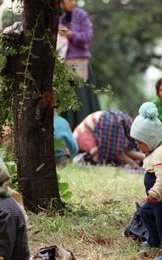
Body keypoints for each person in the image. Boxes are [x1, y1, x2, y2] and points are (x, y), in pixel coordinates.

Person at [130, 102, 162, 260]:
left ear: (150, 139)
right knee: (145, 212)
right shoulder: (154, 151)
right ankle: (154, 240)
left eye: (140, 142)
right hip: (158, 198)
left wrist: (155, 193)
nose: (137, 145)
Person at [59, 0, 100, 129]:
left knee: (82, 99)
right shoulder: (58, 18)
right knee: (67, 102)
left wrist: (69, 34)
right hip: (64, 63)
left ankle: (86, 131)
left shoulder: (81, 15)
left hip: (80, 62)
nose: (71, 2)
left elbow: (87, 37)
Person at [73, 110, 144, 168]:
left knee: (115, 153)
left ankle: (137, 165)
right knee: (123, 151)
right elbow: (124, 152)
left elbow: (96, 155)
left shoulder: (78, 138)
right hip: (118, 116)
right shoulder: (79, 132)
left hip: (108, 121)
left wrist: (99, 163)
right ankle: (148, 158)